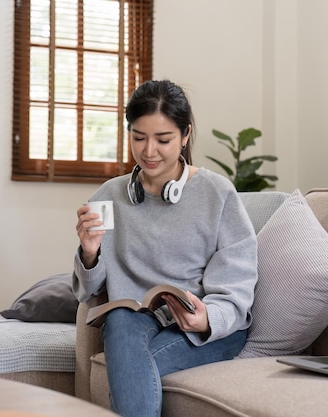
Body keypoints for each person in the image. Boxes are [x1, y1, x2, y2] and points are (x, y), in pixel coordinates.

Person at [73, 80, 258, 417]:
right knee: (118, 318)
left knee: (131, 371)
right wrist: (89, 254)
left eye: (163, 139)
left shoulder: (217, 193)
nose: (149, 151)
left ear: (185, 135)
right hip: (134, 320)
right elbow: (89, 292)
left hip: (206, 326)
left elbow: (237, 282)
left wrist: (207, 318)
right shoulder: (109, 197)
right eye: (139, 137)